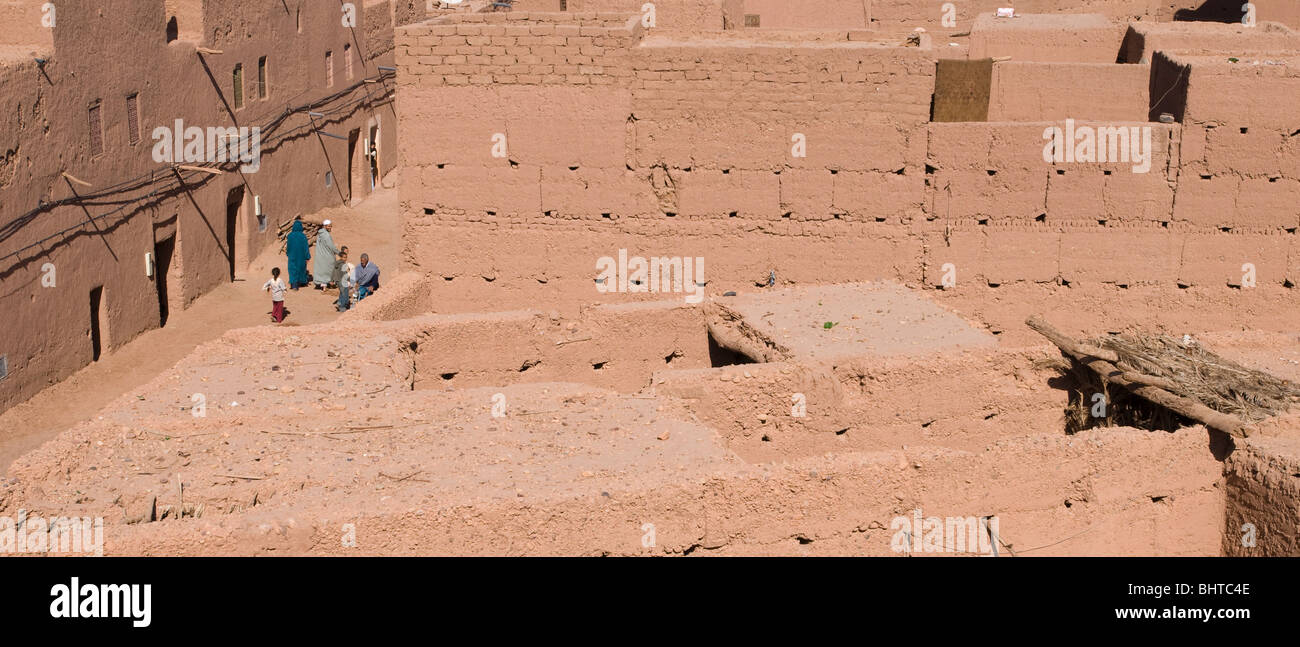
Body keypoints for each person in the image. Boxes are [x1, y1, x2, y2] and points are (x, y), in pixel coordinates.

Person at [312, 219, 339, 289]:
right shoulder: (326, 235)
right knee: (328, 270)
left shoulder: (320, 234)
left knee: (322, 270)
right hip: (327, 256)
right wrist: (338, 252)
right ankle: (326, 285)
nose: (330, 228)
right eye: (329, 226)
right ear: (325, 226)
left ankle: (322, 285)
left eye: (331, 226)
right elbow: (331, 246)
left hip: (321, 255)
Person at [285, 219, 310, 290]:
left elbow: (288, 246)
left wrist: (288, 253)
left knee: (292, 269)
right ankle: (301, 282)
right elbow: (306, 247)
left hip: (292, 256)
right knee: (301, 268)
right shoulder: (303, 236)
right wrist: (307, 256)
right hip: (301, 257)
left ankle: (294, 285)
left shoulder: (290, 236)